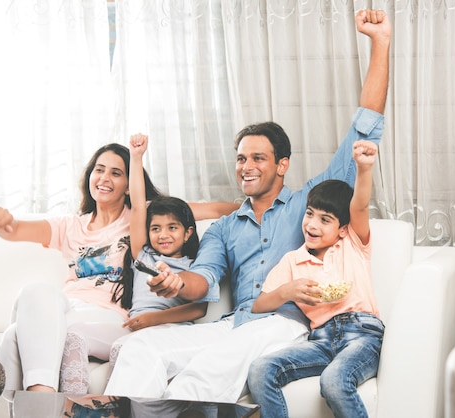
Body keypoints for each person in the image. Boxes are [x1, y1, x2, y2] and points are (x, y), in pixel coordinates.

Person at [104, 9, 391, 415]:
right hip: (236, 325)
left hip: (286, 324)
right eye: (241, 158)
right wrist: (174, 282)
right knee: (141, 349)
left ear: (282, 164)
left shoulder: (307, 207)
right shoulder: (223, 228)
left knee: (204, 374)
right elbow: (202, 280)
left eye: (258, 157)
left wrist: (381, 42)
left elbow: (366, 126)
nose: (246, 166)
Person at [0, 142, 238, 393]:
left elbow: (210, 210)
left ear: (129, 186)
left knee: (14, 337)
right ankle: (30, 404)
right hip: (66, 306)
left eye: (116, 173)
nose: (104, 178)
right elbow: (15, 229)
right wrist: (3, 221)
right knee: (34, 293)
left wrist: (252, 207)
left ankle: (41, 402)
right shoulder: (70, 225)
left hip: (106, 313)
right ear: (90, 175)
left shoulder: (145, 217)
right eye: (99, 169)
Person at [59, 134, 219, 394]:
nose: (163, 235)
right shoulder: (142, 255)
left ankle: (114, 408)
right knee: (74, 335)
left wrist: (153, 319)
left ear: (187, 233)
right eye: (155, 228)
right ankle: (72, 406)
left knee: (127, 349)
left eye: (172, 228)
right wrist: (136, 157)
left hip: (165, 331)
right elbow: (137, 206)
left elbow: (197, 310)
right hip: (132, 329)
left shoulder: (193, 266)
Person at [247, 140, 384, 418]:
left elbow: (359, 206)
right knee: (261, 370)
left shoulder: (352, 243)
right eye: (310, 214)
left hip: (363, 334)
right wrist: (288, 290)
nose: (312, 224)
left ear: (342, 228)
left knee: (334, 381)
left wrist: (364, 167)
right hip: (320, 339)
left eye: (325, 220)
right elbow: (259, 304)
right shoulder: (293, 260)